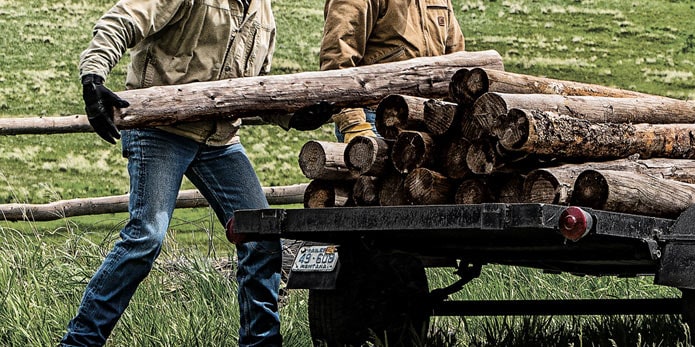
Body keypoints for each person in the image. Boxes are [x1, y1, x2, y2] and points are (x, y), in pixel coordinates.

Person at [63, 0, 313, 345]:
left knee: (262, 234)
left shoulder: (263, 10)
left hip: (220, 139)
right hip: (159, 127)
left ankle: (262, 342)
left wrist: (293, 115)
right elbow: (125, 18)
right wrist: (93, 77)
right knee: (146, 236)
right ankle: (80, 342)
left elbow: (256, 84)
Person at [313, 0, 466, 142]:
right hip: (375, 120)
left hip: (430, 120)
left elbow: (455, 59)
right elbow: (337, 61)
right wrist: (353, 124)